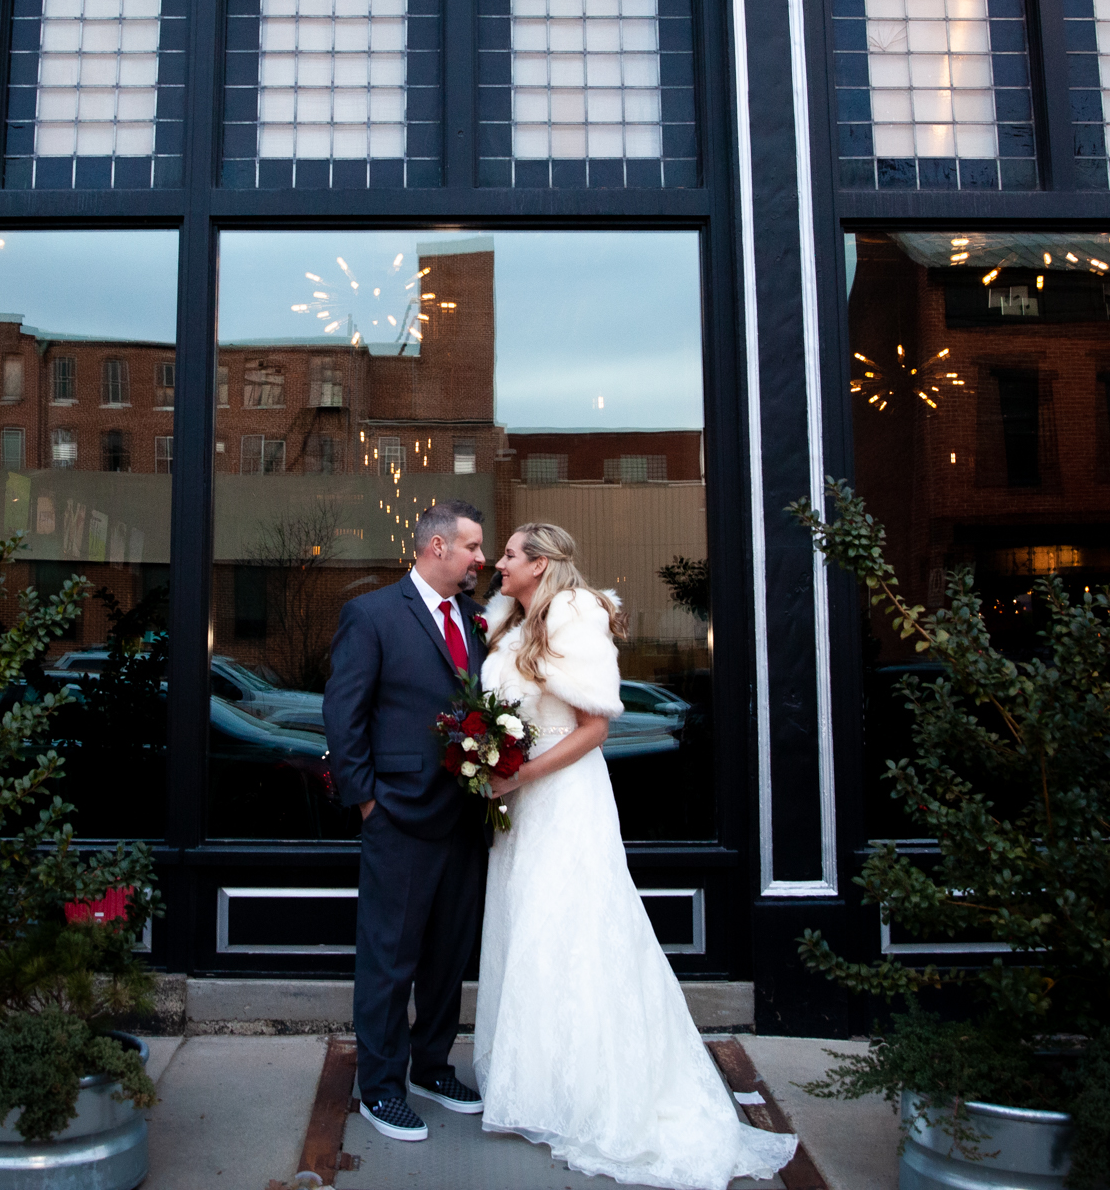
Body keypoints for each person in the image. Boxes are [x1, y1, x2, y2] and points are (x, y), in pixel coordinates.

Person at [475, 522, 799, 1189]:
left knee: (575, 932)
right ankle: (538, 1086)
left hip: (563, 797)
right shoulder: (508, 620)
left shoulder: (574, 613)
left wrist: (522, 773)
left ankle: (594, 1092)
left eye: (508, 554)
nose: (498, 563)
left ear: (538, 564)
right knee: (531, 933)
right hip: (519, 804)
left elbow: (595, 726)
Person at [322, 499, 493, 1144]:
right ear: (437, 548)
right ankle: (383, 1087)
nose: (482, 558)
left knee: (448, 956)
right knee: (389, 960)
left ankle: (431, 1067)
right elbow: (344, 713)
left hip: (465, 818)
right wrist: (367, 800)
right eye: (473, 547)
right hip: (398, 813)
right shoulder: (371, 615)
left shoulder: (477, 620)